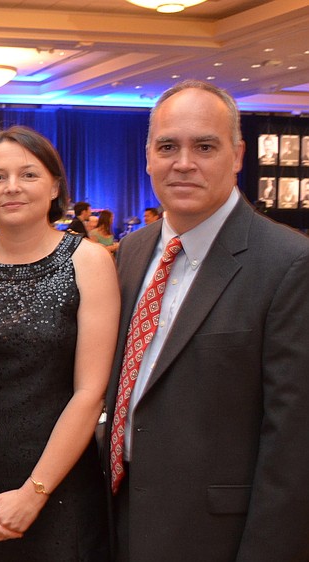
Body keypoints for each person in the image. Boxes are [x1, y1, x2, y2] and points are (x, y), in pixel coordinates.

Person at [104, 79, 309, 561]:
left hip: (215, 535)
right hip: (119, 516)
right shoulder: (133, 250)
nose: (183, 163)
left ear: (237, 155)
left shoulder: (289, 263)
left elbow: (293, 443)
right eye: (168, 146)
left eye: (205, 146)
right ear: (148, 155)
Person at [0, 126, 119, 560]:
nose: (11, 187)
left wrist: (35, 493)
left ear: (54, 185)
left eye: (28, 174)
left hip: (60, 481)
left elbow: (90, 392)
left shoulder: (89, 261)